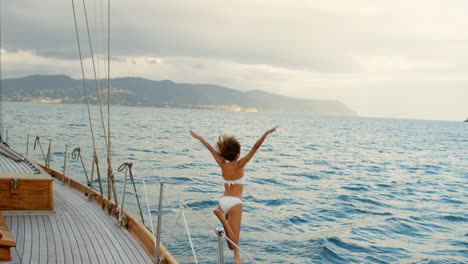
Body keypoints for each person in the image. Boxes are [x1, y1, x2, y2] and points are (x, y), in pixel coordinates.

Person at [190, 127, 277, 264]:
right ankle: (223, 221)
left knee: (234, 236)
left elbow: (211, 150)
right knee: (232, 243)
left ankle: (237, 258)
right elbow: (255, 147)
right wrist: (266, 134)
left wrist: (199, 138)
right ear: (237, 154)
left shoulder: (222, 164)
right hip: (235, 202)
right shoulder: (240, 164)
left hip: (223, 200)